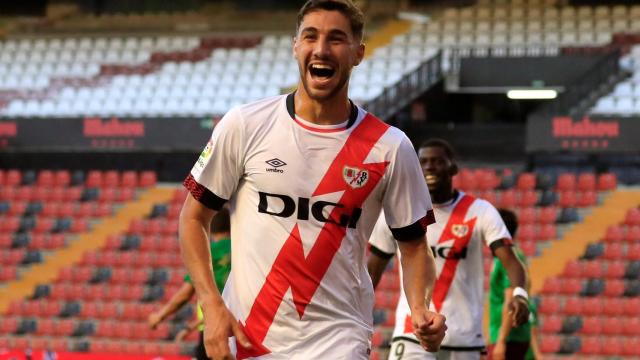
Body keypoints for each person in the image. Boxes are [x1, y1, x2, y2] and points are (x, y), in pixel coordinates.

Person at [178, 1, 447, 359]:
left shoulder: (390, 147)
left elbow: (413, 245)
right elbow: (194, 217)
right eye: (311, 37)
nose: (321, 49)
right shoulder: (246, 124)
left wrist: (420, 306)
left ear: (358, 53)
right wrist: (211, 305)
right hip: (247, 337)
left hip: (339, 340)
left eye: (336, 39)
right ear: (295, 47)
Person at [368, 138, 529, 360]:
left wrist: (520, 294)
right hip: (412, 333)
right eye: (423, 162)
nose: (429, 167)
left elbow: (510, 260)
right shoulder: (398, 211)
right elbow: (372, 271)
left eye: (437, 161)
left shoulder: (480, 211)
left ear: (453, 167)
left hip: (464, 339)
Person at [149, 208, 231, 360]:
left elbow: (186, 293)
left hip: (214, 328)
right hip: (243, 326)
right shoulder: (242, 250)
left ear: (210, 226)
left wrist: (159, 316)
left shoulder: (209, 252)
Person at [488, 209, 542, 360]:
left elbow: (510, 300)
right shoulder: (509, 256)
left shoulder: (509, 259)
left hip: (511, 337)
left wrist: (501, 341)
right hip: (509, 336)